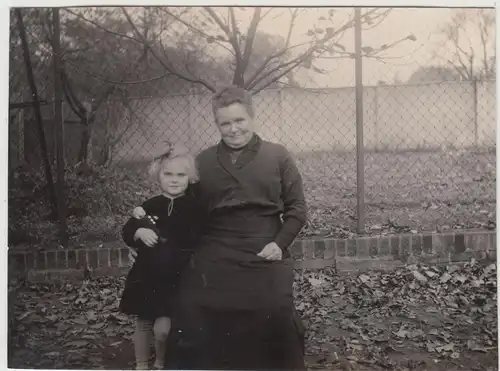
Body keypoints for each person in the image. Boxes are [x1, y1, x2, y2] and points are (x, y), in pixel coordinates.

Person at [130, 86, 308, 370]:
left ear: (252, 117)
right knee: (192, 304)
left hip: (264, 244)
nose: (234, 129)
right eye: (225, 123)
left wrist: (279, 243)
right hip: (214, 246)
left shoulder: (278, 156)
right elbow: (180, 212)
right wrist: (146, 242)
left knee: (273, 309)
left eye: (239, 120)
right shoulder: (203, 161)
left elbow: (298, 210)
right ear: (217, 124)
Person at [119, 145, 201, 370]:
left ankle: (161, 361)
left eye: (181, 175)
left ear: (190, 178)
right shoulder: (149, 206)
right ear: (158, 175)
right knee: (143, 322)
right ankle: (141, 363)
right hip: (147, 276)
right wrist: (138, 232)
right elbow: (128, 230)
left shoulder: (194, 208)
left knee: (163, 329)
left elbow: (201, 238)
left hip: (176, 278)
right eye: (168, 174)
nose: (174, 180)